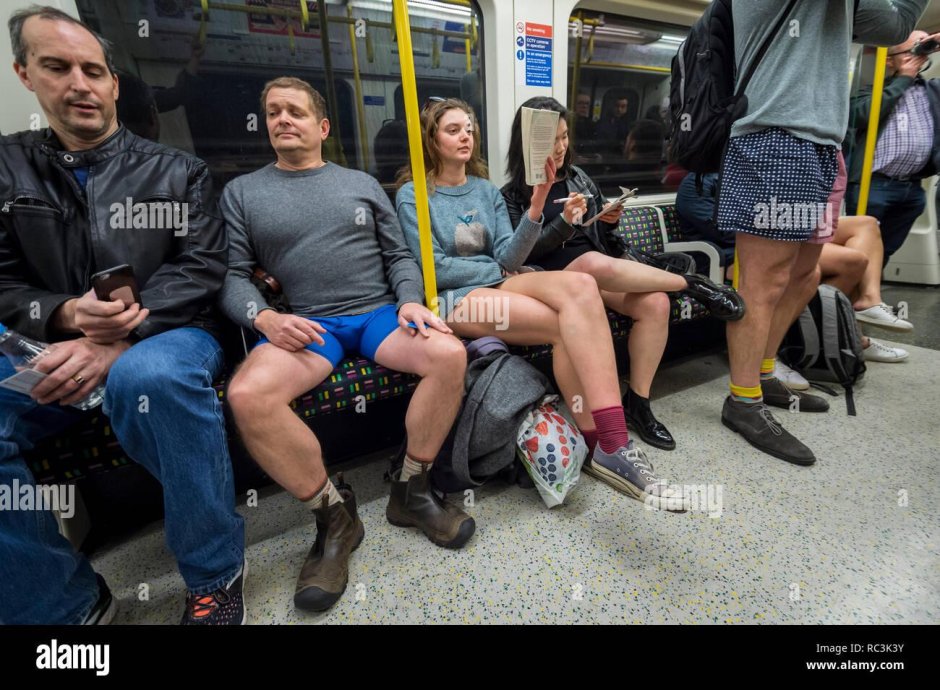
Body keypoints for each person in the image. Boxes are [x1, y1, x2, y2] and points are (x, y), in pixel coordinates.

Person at [0, 6, 245, 625]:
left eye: (92, 70)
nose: (79, 84)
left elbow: (199, 269)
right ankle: (61, 604)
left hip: (170, 330)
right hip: (45, 343)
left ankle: (214, 572)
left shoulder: (178, 172)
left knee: (151, 379)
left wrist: (120, 339)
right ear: (25, 74)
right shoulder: (7, 167)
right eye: (57, 67)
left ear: (113, 83)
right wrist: (61, 314)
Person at [218, 78, 473, 613]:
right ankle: (334, 516)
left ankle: (412, 489)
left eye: (295, 111)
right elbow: (233, 276)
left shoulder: (360, 184)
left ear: (322, 127)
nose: (282, 120)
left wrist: (409, 300)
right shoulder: (243, 193)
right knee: (247, 395)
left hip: (379, 313)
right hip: (312, 325)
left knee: (450, 354)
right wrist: (263, 317)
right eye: (272, 113)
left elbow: (400, 256)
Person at [395, 97, 690, 512]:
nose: (465, 136)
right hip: (455, 303)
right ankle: (609, 443)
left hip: (499, 285)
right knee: (563, 322)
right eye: (452, 129)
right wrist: (499, 272)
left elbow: (509, 256)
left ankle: (607, 442)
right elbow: (435, 270)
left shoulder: (484, 191)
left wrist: (538, 203)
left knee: (581, 288)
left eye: (469, 128)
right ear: (431, 139)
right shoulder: (414, 197)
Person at [716, 0, 926, 466]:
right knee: (763, 281)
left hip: (823, 143)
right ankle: (742, 402)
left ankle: (764, 371)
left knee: (804, 274)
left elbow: (892, 24)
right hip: (777, 137)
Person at [501, 97, 744, 451]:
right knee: (589, 266)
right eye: (552, 139)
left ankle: (639, 403)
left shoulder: (579, 177)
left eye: (565, 137)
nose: (561, 147)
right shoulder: (511, 195)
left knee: (656, 304)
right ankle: (693, 285)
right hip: (553, 279)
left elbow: (604, 239)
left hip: (599, 268)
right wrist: (565, 223)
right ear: (529, 142)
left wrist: (607, 220)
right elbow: (522, 254)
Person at [677, 171, 913, 375]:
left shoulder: (754, 174)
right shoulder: (696, 184)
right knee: (851, 261)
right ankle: (842, 335)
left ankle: (866, 305)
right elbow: (728, 232)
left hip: (778, 235)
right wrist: (792, 230)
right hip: (733, 255)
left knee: (867, 224)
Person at [845, 29, 940, 264]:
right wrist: (903, 79)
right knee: (862, 254)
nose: (919, 53)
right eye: (912, 49)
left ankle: (869, 297)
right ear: (888, 59)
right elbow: (861, 115)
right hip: (874, 184)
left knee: (884, 252)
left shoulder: (932, 91)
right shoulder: (869, 87)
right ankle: (852, 298)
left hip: (912, 188)